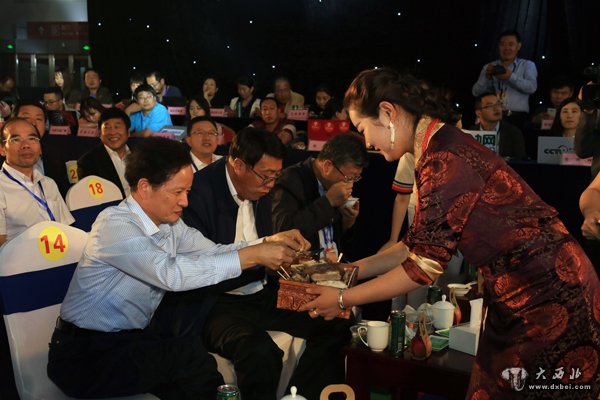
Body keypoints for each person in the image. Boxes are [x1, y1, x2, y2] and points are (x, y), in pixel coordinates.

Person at [301, 68, 600, 400]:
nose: (367, 142)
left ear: (387, 113)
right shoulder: (435, 145)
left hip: (549, 293)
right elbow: (416, 243)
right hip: (523, 291)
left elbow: (423, 267)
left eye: (363, 129)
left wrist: (342, 298)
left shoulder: (444, 156)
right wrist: (351, 270)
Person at [47, 136, 308, 399]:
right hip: (85, 355)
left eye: (188, 192)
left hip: (132, 341)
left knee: (190, 364)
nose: (185, 202)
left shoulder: (170, 224)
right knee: (190, 360)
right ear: (145, 187)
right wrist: (254, 256)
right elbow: (171, 274)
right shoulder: (115, 226)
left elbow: (212, 251)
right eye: (177, 192)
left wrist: (267, 243)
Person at [183, 128, 350, 400]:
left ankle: (299, 396)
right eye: (266, 175)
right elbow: (200, 265)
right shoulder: (198, 192)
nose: (271, 184)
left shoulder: (261, 188)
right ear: (238, 165)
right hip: (216, 302)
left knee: (335, 319)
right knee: (259, 352)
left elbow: (266, 242)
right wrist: (262, 254)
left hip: (261, 291)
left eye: (276, 176)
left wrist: (284, 254)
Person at [271, 133, 367, 261]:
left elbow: (335, 239)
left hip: (333, 264)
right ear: (327, 166)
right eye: (349, 177)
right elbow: (283, 230)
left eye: (355, 178)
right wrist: (328, 202)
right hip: (304, 267)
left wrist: (346, 222)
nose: (351, 184)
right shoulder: (290, 180)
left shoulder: (332, 184)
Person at [0, 118, 74, 246]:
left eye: (32, 138)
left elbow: (67, 228)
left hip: (58, 253)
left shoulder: (48, 183)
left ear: (40, 148)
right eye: (16, 139)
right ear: (2, 149)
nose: (26, 145)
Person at [472, 30, 537, 129]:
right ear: (498, 46)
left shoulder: (527, 65)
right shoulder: (489, 67)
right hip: (492, 117)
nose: (506, 48)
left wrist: (510, 77)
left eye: (511, 44)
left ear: (519, 46)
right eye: (503, 44)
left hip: (517, 118)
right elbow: (476, 92)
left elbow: (531, 88)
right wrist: (486, 77)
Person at [78, 107, 132, 197]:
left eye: (117, 127)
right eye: (107, 128)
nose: (112, 132)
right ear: (99, 133)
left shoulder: (143, 155)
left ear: (128, 132)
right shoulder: (88, 162)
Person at [469, 92, 527, 160]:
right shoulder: (470, 134)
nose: (496, 109)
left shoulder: (513, 132)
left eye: (498, 104)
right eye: (490, 106)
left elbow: (520, 160)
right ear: (478, 113)